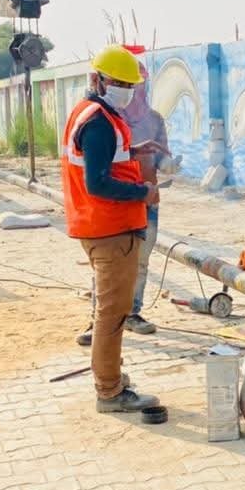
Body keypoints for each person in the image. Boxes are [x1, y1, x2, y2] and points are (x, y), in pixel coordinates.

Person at [60, 45, 161, 414]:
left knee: (111, 311)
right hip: (110, 229)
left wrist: (133, 152)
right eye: (119, 83)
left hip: (99, 226)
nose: (126, 90)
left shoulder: (94, 113)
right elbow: (98, 182)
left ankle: (111, 377)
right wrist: (143, 192)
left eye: (130, 85)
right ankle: (110, 391)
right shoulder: (99, 121)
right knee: (113, 313)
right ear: (97, 80)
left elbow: (102, 159)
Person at [76, 55, 177, 344]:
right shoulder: (106, 117)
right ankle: (99, 321)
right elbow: (99, 172)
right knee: (107, 267)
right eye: (124, 83)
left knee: (139, 263)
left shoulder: (154, 120)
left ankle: (132, 313)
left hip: (146, 202)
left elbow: (160, 155)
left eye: (136, 85)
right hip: (117, 203)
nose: (131, 91)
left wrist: (167, 164)